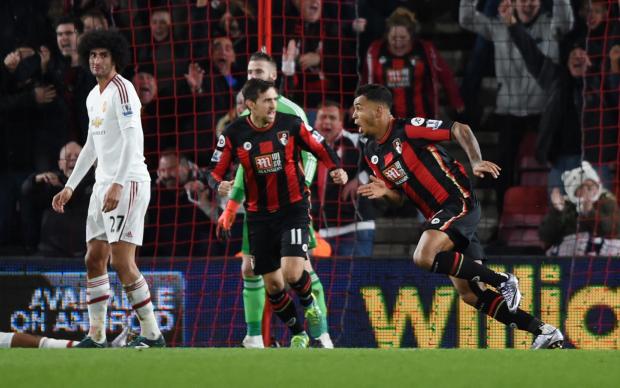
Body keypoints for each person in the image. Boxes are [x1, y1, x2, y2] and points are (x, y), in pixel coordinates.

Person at [354, 84, 563, 349]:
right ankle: (544, 331)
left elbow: (459, 128)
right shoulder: (372, 152)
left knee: (423, 256)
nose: (354, 115)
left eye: (359, 108)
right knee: (470, 294)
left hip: (456, 201)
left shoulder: (407, 129)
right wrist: (386, 191)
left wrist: (475, 161)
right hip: (442, 218)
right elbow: (399, 197)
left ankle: (503, 280)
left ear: (379, 110)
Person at [207, 78, 348, 348]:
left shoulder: (291, 124)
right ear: (250, 105)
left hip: (293, 209)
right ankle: (299, 333)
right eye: (267, 101)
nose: (274, 105)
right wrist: (218, 184)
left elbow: (319, 147)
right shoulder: (234, 133)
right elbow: (214, 171)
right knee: (273, 284)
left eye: (275, 99)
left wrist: (336, 167)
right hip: (259, 216)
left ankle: (310, 305)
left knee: (293, 273)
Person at [51, 30, 164, 348]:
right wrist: (70, 186)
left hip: (126, 183)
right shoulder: (92, 96)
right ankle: (97, 335)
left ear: (115, 58)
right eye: (92, 55)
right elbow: (91, 145)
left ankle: (153, 334)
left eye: (102, 55)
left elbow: (132, 139)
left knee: (122, 261)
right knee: (94, 258)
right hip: (102, 186)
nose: (96, 60)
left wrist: (117, 182)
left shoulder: (124, 90)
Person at [459, 0, 574, 213]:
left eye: (533, 0)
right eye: (522, 0)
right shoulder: (499, 26)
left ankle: (557, 218)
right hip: (509, 111)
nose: (527, 4)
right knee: (501, 171)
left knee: (557, 163)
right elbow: (466, 18)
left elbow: (567, 20)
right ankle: (504, 218)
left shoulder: (552, 26)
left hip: (543, 113)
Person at [362, 7, 464, 119]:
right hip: (386, 122)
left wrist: (456, 101)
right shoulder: (375, 50)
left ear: (411, 36)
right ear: (387, 36)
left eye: (403, 38)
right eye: (393, 38)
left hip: (420, 120)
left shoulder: (426, 50)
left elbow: (445, 75)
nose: (398, 43)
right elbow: (366, 82)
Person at [311, 100, 376, 257]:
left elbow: (383, 154)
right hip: (321, 232)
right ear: (315, 122)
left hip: (354, 229)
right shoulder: (308, 148)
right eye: (323, 117)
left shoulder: (355, 141)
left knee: (355, 279)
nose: (327, 121)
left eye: (332, 118)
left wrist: (361, 178)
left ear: (341, 123)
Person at [21, 141, 94, 256]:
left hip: (85, 254)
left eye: (78, 156)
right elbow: (25, 192)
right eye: (68, 156)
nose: (73, 159)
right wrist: (35, 179)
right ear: (60, 164)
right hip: (50, 253)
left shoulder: (96, 182)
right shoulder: (49, 182)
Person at [539, 161, 620, 257]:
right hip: (572, 255)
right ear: (574, 191)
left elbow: (613, 231)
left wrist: (590, 212)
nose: (589, 191)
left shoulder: (607, 201)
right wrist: (558, 211)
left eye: (592, 186)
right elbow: (546, 236)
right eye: (583, 187)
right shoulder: (566, 205)